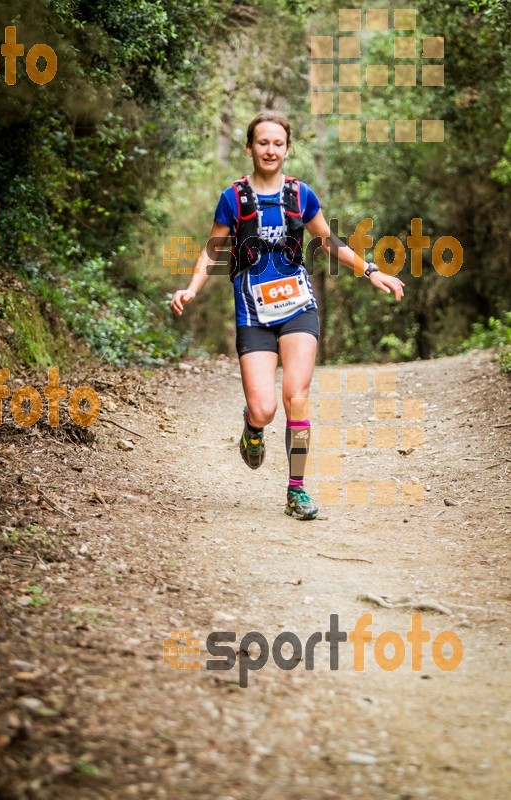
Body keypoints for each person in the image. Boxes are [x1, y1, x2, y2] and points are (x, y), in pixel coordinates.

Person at [171, 110, 404, 520]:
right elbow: (212, 250)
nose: (270, 150)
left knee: (297, 396)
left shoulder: (300, 195)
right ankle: (253, 427)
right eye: (263, 142)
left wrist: (370, 270)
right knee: (264, 408)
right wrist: (190, 289)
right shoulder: (234, 198)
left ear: (287, 149)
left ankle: (296, 491)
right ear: (250, 148)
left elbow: (328, 241)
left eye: (278, 143)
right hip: (252, 313)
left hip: (298, 307)